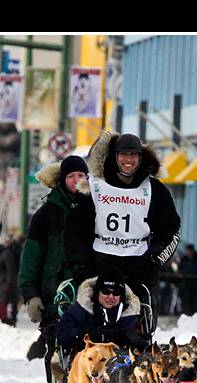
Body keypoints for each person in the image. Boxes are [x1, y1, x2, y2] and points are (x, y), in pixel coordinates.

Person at [64, 132, 181, 330]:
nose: (128, 160)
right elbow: (75, 231)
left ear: (140, 158)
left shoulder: (155, 190)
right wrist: (79, 266)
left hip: (137, 269)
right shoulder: (93, 187)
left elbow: (171, 232)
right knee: (87, 325)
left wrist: (151, 261)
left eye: (133, 155)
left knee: (135, 326)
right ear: (114, 157)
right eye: (123, 155)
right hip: (96, 266)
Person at [18, 155, 88, 383]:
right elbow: (32, 257)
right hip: (53, 297)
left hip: (88, 294)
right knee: (55, 349)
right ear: (62, 180)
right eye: (71, 176)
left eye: (81, 176)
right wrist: (31, 294)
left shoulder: (99, 209)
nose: (77, 181)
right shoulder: (45, 214)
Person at [56, 265, 148, 352]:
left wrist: (127, 336)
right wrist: (94, 334)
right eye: (106, 292)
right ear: (97, 293)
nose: (111, 297)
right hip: (86, 361)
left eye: (116, 293)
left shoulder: (130, 313)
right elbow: (63, 335)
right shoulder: (82, 310)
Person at [0, 236, 22, 326]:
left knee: (4, 301)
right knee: (12, 302)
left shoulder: (6, 254)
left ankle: (6, 321)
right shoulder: (12, 253)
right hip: (10, 282)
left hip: (5, 282)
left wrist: (8, 283)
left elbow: (10, 269)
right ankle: (11, 320)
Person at [177, 244, 197, 315]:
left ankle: (193, 312)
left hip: (195, 282)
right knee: (185, 298)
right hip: (185, 282)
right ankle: (185, 311)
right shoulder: (184, 259)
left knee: (194, 298)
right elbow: (180, 268)